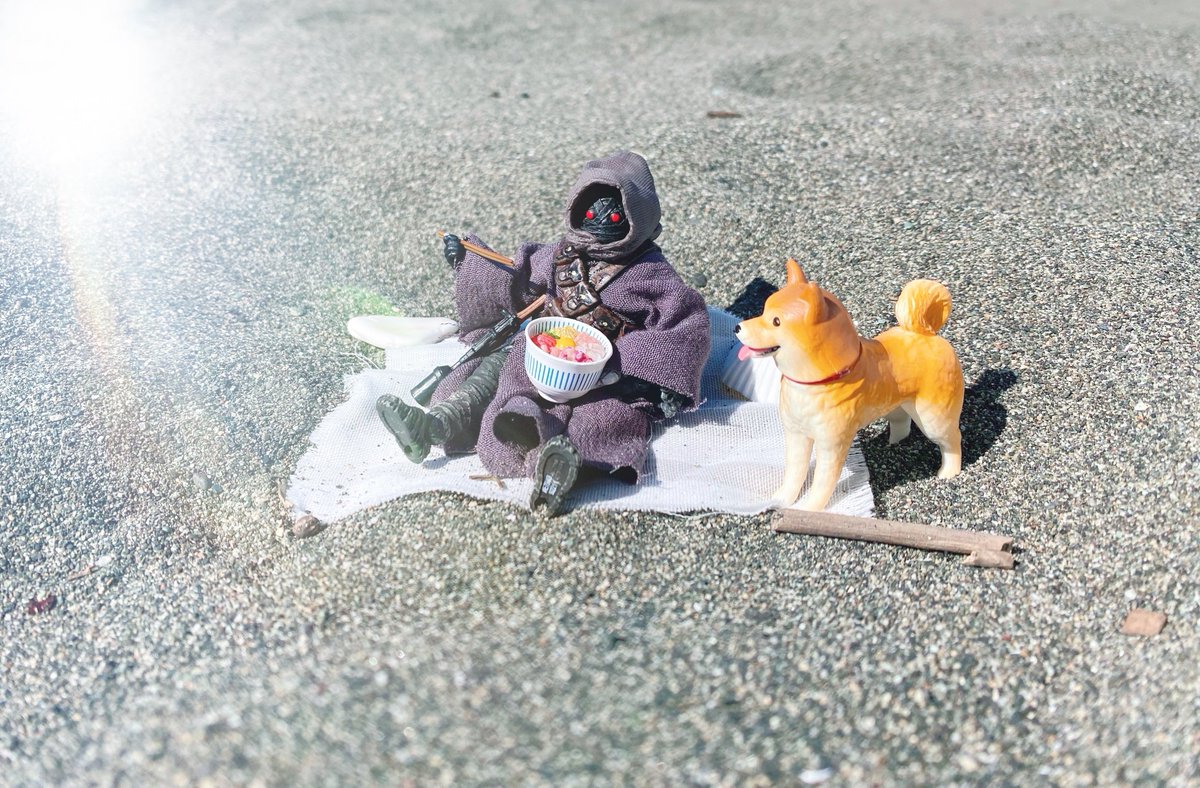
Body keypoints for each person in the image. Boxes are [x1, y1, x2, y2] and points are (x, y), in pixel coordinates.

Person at [377, 151, 710, 515]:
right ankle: (434, 426)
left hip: (603, 375)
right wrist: (467, 262)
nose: (600, 219)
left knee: (604, 422)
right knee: (487, 377)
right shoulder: (562, 254)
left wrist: (637, 369)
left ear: (637, 217)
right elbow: (517, 276)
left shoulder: (653, 275)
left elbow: (684, 329)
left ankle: (559, 469)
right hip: (538, 352)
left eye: (614, 213)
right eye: (591, 210)